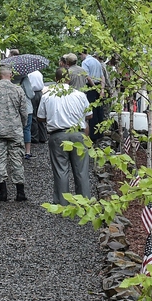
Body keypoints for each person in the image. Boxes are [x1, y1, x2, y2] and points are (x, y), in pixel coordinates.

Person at [39, 67, 92, 205]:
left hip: (58, 135)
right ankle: (84, 203)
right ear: (69, 79)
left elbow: (40, 117)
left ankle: (62, 204)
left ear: (56, 79)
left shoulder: (47, 96)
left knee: (60, 170)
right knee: (81, 170)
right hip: (78, 134)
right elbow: (89, 115)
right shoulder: (80, 95)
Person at [0, 63, 28, 201]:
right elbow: (24, 112)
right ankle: (20, 192)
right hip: (14, 131)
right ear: (11, 75)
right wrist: (22, 125)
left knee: (0, 160)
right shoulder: (18, 90)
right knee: (16, 160)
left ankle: (3, 192)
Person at [80, 50, 110, 143]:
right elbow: (102, 76)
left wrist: (94, 87)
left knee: (91, 111)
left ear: (82, 54)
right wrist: (101, 89)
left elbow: (87, 77)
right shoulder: (97, 61)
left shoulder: (85, 62)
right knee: (99, 110)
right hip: (99, 86)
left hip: (91, 87)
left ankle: (93, 135)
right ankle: (100, 133)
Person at [20, 68, 45, 158]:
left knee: (34, 117)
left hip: (33, 95)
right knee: (41, 115)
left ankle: (34, 137)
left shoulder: (27, 76)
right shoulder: (39, 73)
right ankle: (43, 136)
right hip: (40, 93)